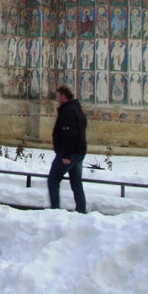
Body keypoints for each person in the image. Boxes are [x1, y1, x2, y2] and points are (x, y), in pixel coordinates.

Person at [47, 85, 87, 214]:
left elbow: (69, 134)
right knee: (76, 183)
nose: (57, 99)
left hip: (69, 154)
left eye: (58, 96)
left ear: (64, 96)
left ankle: (54, 210)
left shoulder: (68, 111)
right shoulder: (77, 110)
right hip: (78, 152)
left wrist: (66, 155)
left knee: (53, 179)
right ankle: (81, 210)